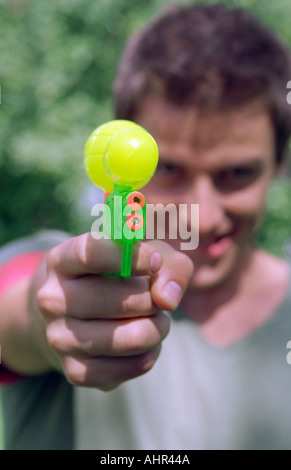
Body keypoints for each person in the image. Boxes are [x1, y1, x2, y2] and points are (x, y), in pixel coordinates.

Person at [1, 3, 291, 450]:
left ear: (279, 163)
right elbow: (20, 304)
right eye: (169, 167)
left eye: (237, 174)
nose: (201, 215)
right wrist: (47, 316)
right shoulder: (65, 267)